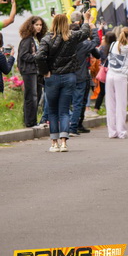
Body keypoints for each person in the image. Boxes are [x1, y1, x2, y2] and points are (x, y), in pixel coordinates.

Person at [36, 13, 91, 153]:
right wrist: (86, 19)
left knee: (53, 111)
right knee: (64, 111)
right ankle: (64, 143)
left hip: (52, 77)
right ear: (66, 23)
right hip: (69, 76)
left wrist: (45, 71)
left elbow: (39, 56)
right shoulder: (72, 36)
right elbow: (85, 33)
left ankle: (54, 143)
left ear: (53, 23)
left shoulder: (46, 39)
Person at [105, 27, 128, 138]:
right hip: (121, 77)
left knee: (110, 104)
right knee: (120, 105)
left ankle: (112, 131)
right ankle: (121, 131)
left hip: (110, 75)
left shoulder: (113, 45)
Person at [68, 11, 100, 137]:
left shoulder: (65, 42)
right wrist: (93, 28)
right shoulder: (84, 44)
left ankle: (70, 125)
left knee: (68, 102)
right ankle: (73, 127)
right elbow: (96, 42)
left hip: (67, 75)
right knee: (78, 103)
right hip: (81, 76)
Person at [17, 16, 47, 128]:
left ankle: (32, 121)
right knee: (31, 97)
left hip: (36, 71)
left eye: (40, 25)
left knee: (36, 95)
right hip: (29, 71)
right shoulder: (27, 40)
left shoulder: (35, 39)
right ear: (31, 25)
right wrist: (37, 57)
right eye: (36, 25)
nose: (39, 27)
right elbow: (24, 55)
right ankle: (30, 122)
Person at [93, 31, 117, 114]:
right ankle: (113, 109)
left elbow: (99, 56)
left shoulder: (102, 48)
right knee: (114, 91)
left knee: (102, 91)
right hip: (113, 71)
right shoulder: (116, 48)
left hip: (104, 72)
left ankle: (96, 108)